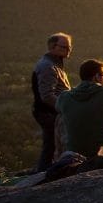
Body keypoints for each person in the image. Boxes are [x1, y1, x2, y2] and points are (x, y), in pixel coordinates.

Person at [55, 59, 103, 159]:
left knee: (61, 117)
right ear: (96, 77)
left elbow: (58, 107)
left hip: (74, 153)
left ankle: (59, 155)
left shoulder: (64, 97)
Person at [31, 32, 72, 171]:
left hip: (51, 112)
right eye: (64, 47)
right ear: (52, 47)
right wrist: (64, 108)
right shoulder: (48, 66)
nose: (68, 50)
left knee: (53, 146)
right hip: (48, 113)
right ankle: (44, 175)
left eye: (69, 47)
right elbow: (47, 95)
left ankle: (45, 173)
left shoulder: (55, 64)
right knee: (51, 146)